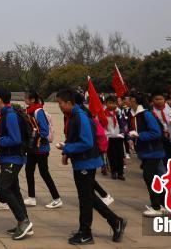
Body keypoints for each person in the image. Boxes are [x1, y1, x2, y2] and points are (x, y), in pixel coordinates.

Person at [55, 90, 125, 245]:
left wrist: (67, 148)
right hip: (81, 162)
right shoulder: (72, 116)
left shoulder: (80, 117)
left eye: (60, 103)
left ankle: (86, 232)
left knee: (85, 199)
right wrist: (67, 152)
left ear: (69, 102)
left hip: (86, 162)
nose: (59, 106)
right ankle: (115, 221)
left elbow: (86, 142)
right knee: (88, 197)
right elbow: (75, 139)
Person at [0, 90, 32, 240]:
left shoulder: (10, 115)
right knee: (14, 189)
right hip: (8, 157)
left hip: (14, 158)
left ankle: (23, 221)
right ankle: (24, 222)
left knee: (3, 187)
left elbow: (16, 139)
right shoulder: (5, 114)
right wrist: (0, 156)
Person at [125, 91, 167, 218]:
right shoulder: (132, 114)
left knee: (149, 177)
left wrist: (139, 136)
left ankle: (156, 207)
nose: (125, 101)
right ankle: (162, 203)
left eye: (128, 98)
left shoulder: (146, 114)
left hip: (153, 151)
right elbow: (131, 130)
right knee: (157, 176)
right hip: (145, 151)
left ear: (134, 100)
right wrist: (131, 139)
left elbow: (156, 132)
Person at [102, 96, 125, 180]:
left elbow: (122, 123)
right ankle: (113, 171)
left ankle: (120, 172)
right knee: (112, 155)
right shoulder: (103, 114)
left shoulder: (118, 113)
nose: (112, 105)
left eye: (114, 103)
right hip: (109, 137)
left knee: (120, 155)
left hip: (118, 137)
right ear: (106, 103)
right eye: (110, 103)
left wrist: (122, 132)